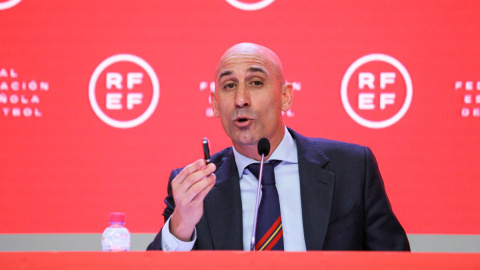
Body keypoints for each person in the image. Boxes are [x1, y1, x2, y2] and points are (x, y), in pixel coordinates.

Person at [147, 43, 410, 251]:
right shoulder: (194, 189)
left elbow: (396, 261)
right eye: (229, 86)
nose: (240, 99)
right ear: (215, 104)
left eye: (256, 83)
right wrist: (181, 225)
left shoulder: (352, 168)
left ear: (285, 96)